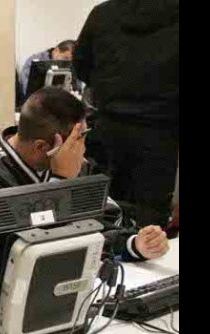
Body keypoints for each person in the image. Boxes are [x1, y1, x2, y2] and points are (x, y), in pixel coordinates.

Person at [0, 87, 169, 262]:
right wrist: (60, 183)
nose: (82, 149)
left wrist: (135, 245)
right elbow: (12, 251)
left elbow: (108, 219)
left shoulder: (74, 163)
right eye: (78, 139)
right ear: (41, 147)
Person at [73, 0, 179, 228]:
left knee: (105, 206)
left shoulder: (102, 14)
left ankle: (108, 258)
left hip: (109, 125)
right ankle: (146, 252)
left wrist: (108, 88)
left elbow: (81, 64)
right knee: (151, 214)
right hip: (160, 133)